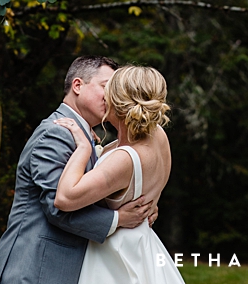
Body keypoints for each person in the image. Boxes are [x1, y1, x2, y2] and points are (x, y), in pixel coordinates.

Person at [0, 56, 155, 284]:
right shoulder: (56, 132)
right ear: (78, 85)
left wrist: (141, 208)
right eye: (106, 87)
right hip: (34, 267)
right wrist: (119, 218)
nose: (112, 97)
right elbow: (57, 208)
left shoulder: (83, 134)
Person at [53, 64, 185, 284]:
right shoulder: (158, 135)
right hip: (143, 245)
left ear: (116, 100)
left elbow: (65, 198)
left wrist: (84, 148)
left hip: (116, 257)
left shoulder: (124, 159)